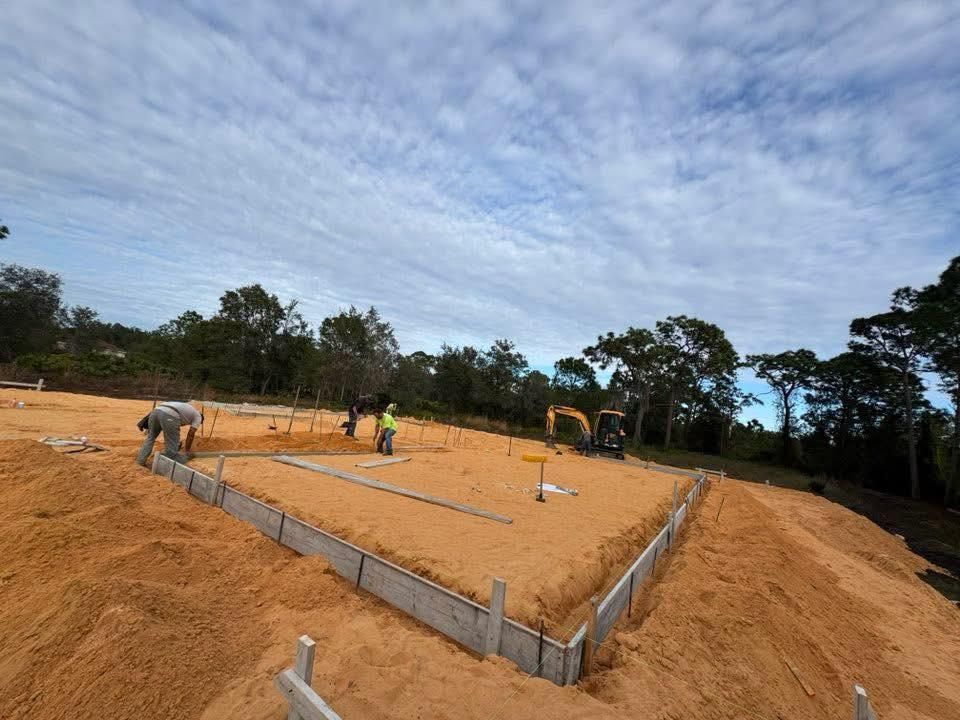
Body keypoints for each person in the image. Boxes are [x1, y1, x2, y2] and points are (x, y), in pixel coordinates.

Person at [136, 401, 203, 466]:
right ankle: (165, 466)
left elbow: (171, 427)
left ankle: (140, 461)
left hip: (155, 411)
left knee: (150, 438)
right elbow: (191, 434)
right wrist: (187, 451)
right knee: (172, 446)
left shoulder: (188, 411)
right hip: (169, 414)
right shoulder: (198, 417)